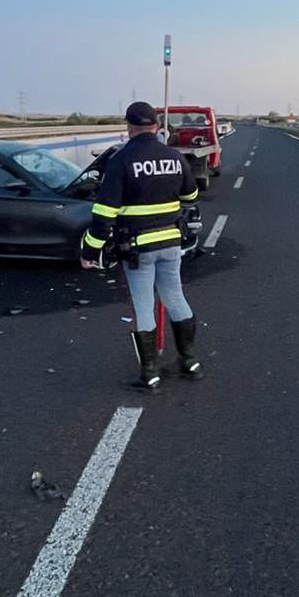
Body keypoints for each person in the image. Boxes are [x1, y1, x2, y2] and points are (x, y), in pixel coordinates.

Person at [81, 101, 202, 389]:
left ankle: (150, 373)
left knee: (145, 306)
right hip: (171, 242)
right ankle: (190, 362)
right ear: (157, 126)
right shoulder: (173, 156)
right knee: (175, 298)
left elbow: (104, 213)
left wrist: (89, 250)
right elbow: (191, 194)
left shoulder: (121, 161)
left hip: (137, 248)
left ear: (129, 127)